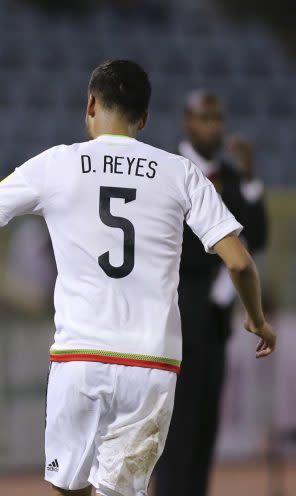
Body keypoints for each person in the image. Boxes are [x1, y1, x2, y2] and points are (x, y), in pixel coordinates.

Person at [0, 60, 276, 496]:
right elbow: (239, 263)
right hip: (151, 364)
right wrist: (257, 319)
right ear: (144, 119)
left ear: (90, 104)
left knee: (68, 489)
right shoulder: (180, 172)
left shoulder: (56, 164)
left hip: (79, 360)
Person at [154, 90, 268, 496]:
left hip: (215, 319)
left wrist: (251, 179)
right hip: (177, 311)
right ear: (188, 121)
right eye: (205, 118)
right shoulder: (168, 171)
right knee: (177, 429)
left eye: (218, 118)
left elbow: (259, 237)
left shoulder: (231, 178)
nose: (214, 127)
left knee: (204, 427)